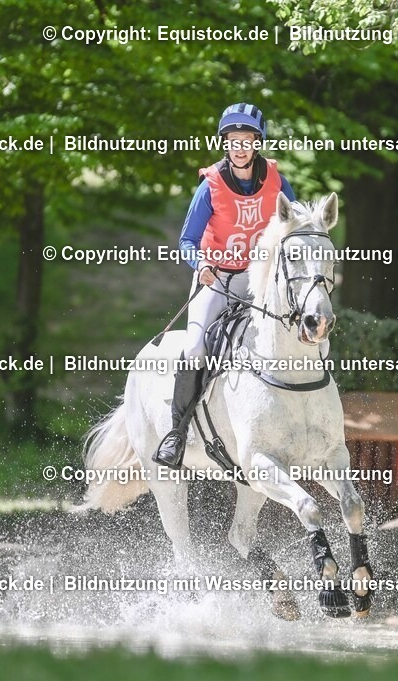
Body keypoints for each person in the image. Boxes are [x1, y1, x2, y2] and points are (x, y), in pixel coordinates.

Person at [153, 103, 296, 469]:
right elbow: (187, 240)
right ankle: (177, 433)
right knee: (197, 346)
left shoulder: (278, 182)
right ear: (225, 144)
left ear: (257, 143)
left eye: (246, 140)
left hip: (257, 277)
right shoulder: (211, 185)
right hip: (215, 277)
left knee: (290, 329)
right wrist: (199, 263)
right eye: (233, 141)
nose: (239, 148)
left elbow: (295, 225)